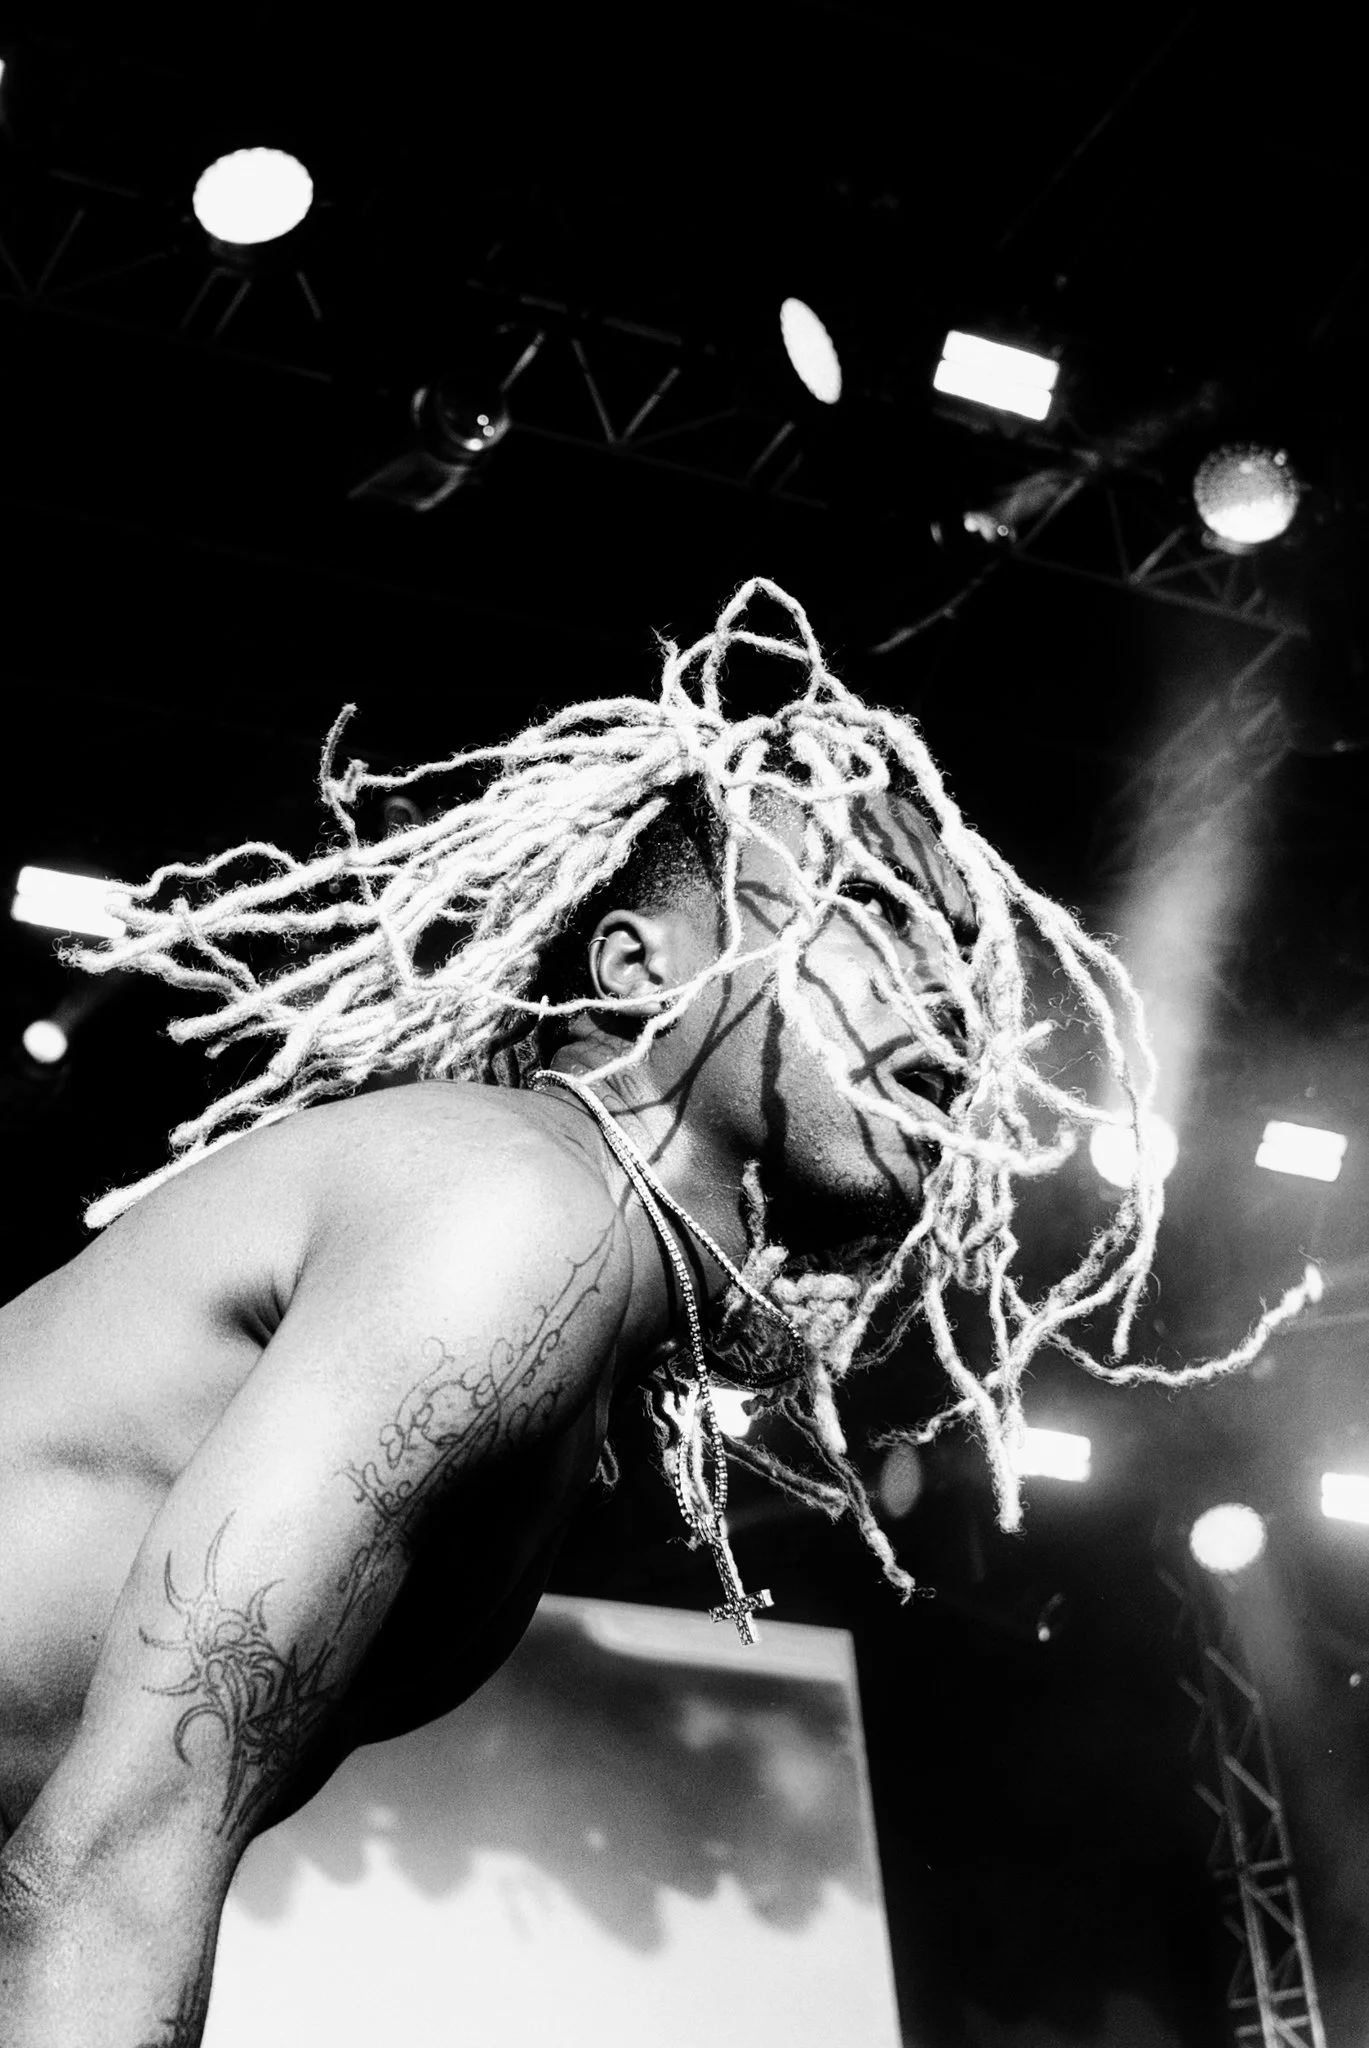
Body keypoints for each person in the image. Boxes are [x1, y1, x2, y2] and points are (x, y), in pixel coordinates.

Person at [0, 579, 1308, 2044]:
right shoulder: (512, 1214)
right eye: (865, 917)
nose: (943, 1000)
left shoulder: (564, 1291)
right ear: (640, 972)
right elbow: (105, 1865)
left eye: (959, 956)